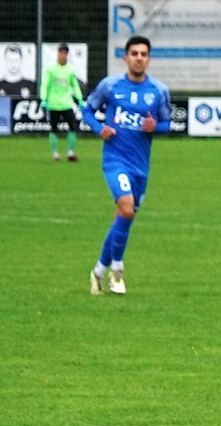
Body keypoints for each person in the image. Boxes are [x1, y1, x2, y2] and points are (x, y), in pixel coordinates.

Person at [82, 35, 171, 295]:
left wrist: (155, 127)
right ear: (126, 58)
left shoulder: (158, 91)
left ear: (149, 59)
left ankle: (99, 271)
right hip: (115, 160)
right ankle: (117, 270)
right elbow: (87, 110)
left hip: (140, 166)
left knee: (123, 216)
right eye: (134, 53)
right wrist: (100, 129)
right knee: (127, 209)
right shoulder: (110, 86)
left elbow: (167, 123)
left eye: (143, 54)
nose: (139, 58)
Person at [40, 43, 84, 163]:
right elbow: (45, 84)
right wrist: (43, 99)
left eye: (65, 53)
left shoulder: (70, 69)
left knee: (73, 126)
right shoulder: (51, 68)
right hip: (53, 103)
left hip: (66, 103)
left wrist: (79, 98)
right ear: (58, 53)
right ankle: (55, 154)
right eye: (61, 53)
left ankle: (70, 153)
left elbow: (74, 85)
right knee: (53, 129)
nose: (63, 55)